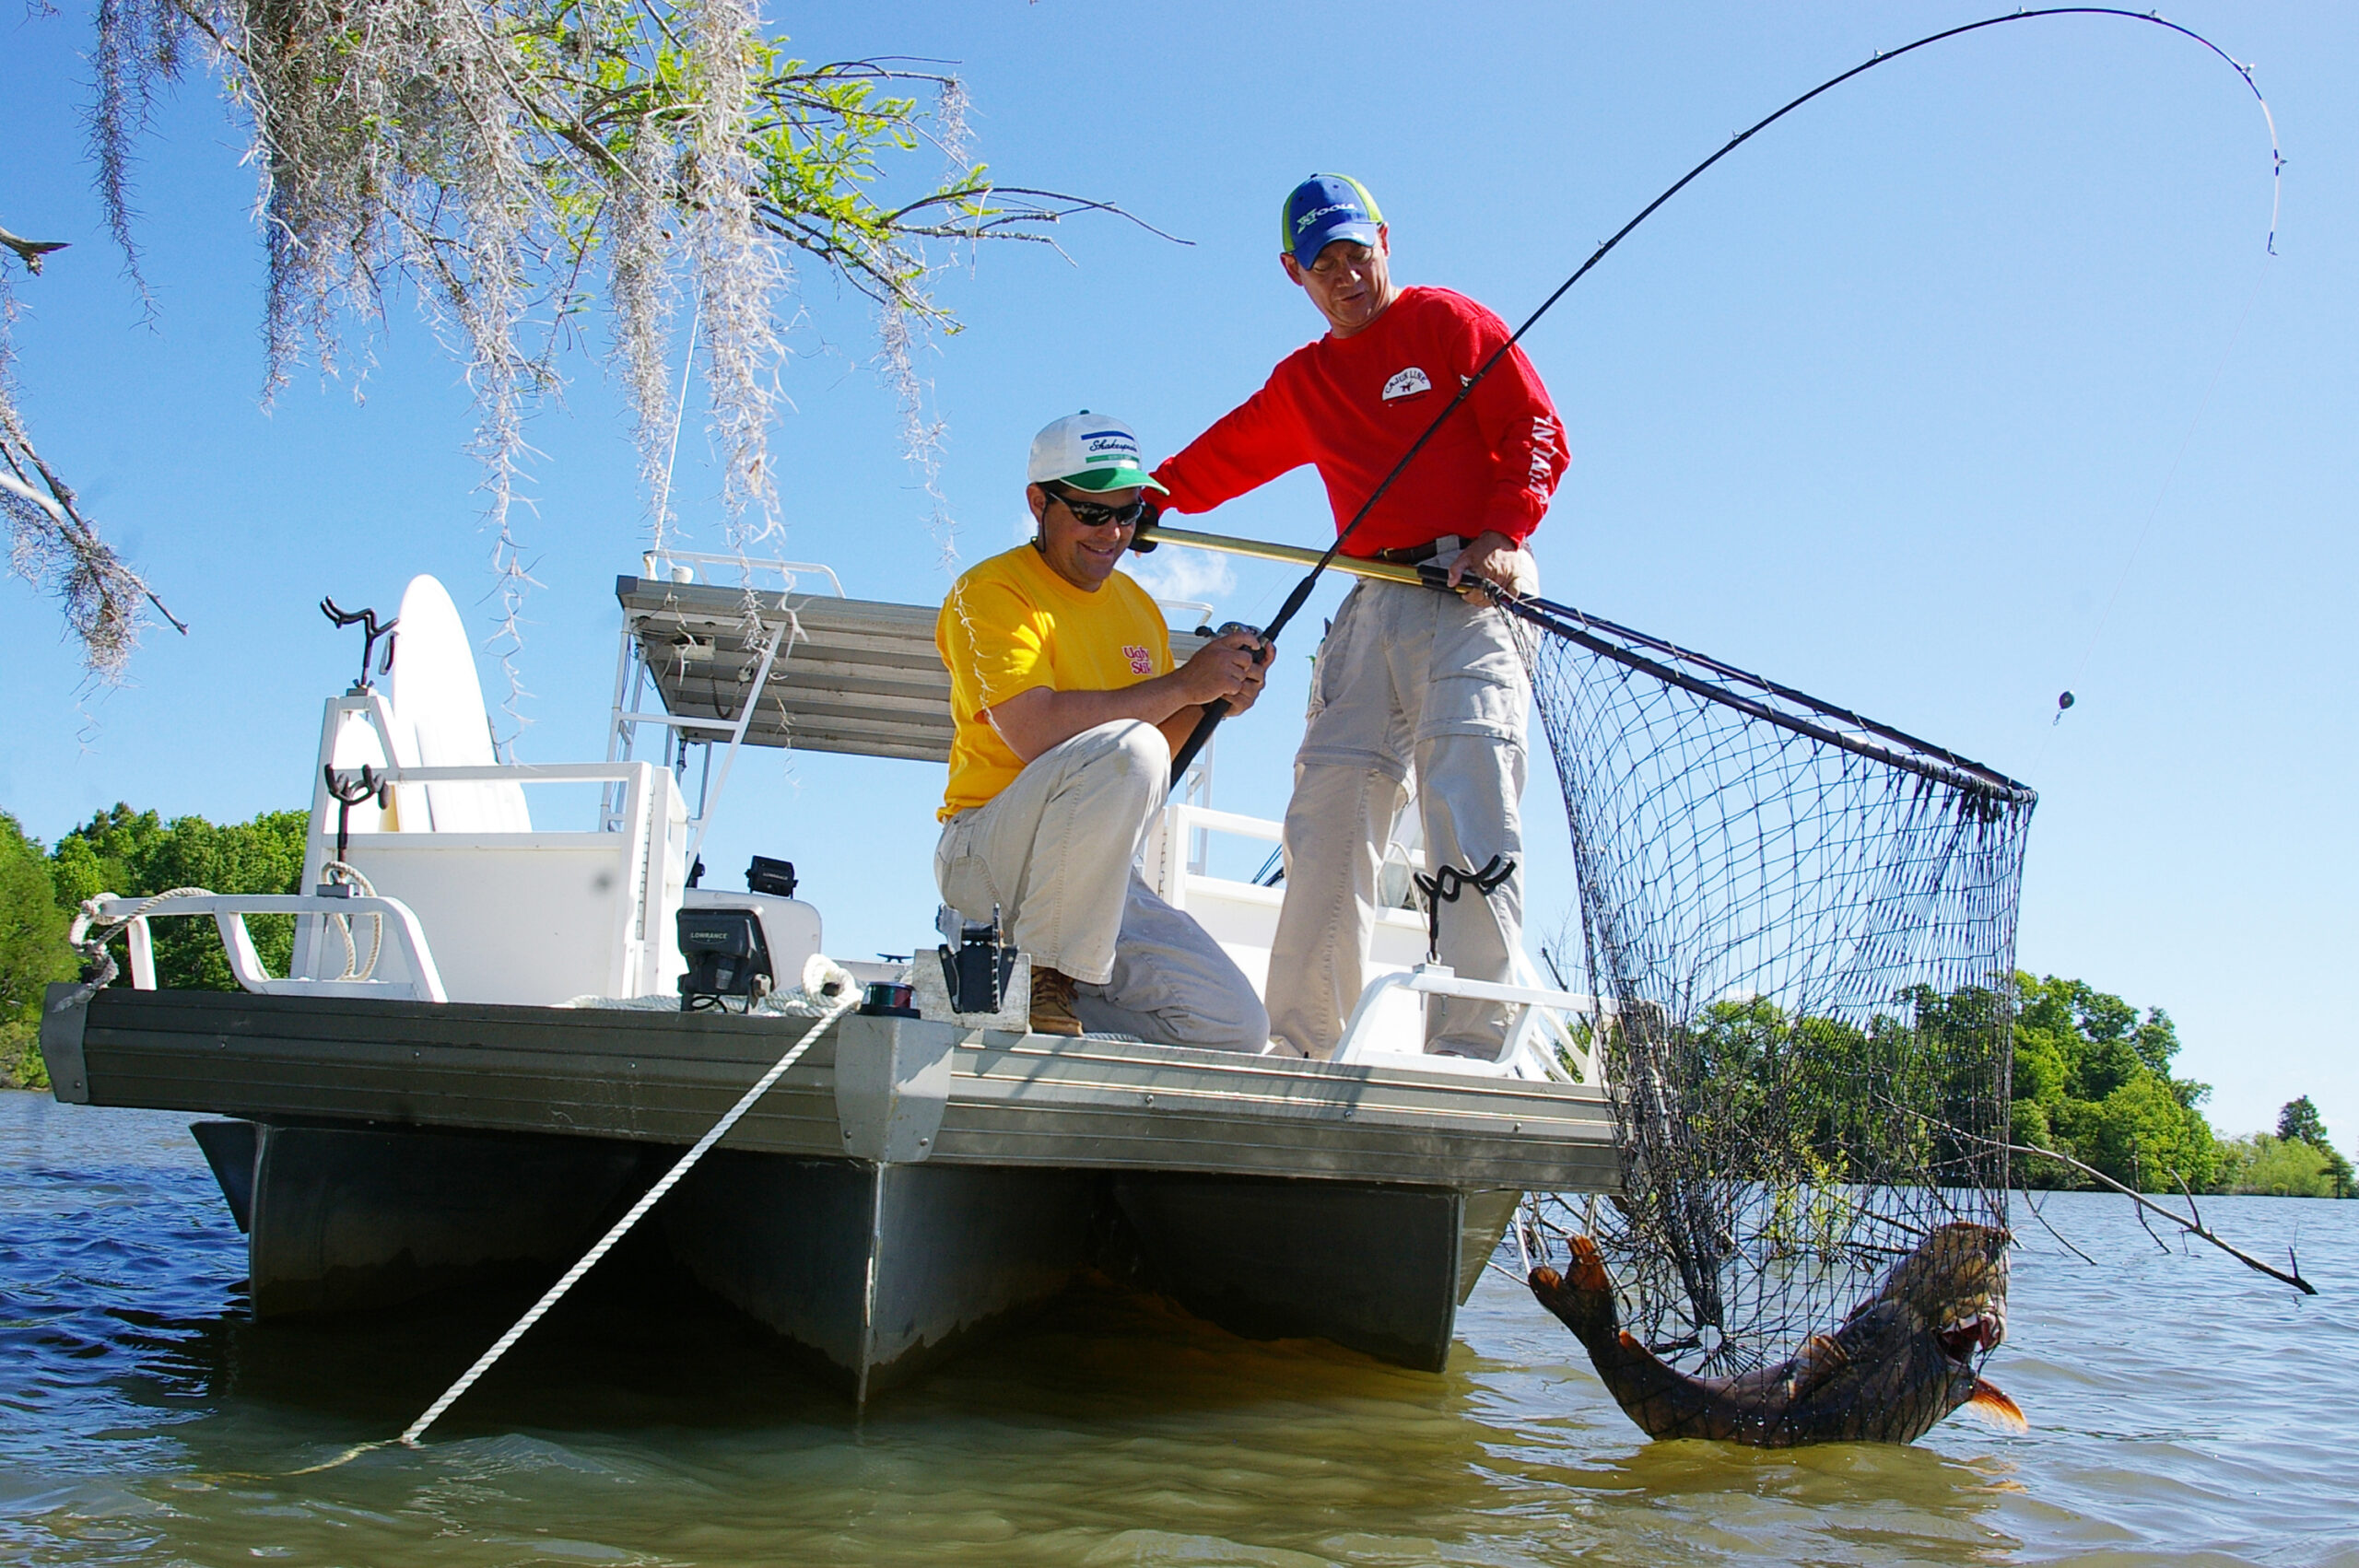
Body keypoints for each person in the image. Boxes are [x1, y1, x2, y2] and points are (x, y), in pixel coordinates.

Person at [1149, 173, 1567, 1061]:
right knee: (1327, 809)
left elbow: (1536, 430)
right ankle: (1300, 1050)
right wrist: (1154, 496)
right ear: (1291, 273)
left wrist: (1499, 536)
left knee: (1468, 801)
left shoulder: (1450, 323)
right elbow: (1229, 450)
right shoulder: (1305, 382)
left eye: (1356, 253)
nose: (1345, 275)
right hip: (1371, 599)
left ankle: (1471, 1051)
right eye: (1322, 263)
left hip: (1470, 587)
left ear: (1385, 241)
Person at [934, 412, 1272, 1046]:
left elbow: (1147, 765)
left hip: (1098, 875)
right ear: (1039, 502)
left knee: (1236, 1028)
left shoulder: (1138, 608)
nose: (1113, 532)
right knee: (1132, 742)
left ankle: (1011, 1001)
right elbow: (1034, 734)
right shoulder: (987, 592)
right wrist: (1183, 687)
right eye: (1092, 513)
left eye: (1130, 513)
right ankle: (1042, 978)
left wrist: (1216, 702)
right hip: (988, 857)